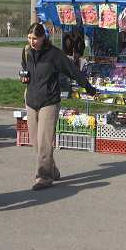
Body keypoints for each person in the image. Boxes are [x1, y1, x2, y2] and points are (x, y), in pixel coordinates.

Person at [20, 23, 98, 190]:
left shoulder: (54, 54)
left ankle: (44, 177)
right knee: (35, 141)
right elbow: (25, 69)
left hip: (49, 101)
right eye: (29, 38)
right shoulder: (26, 51)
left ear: (43, 38)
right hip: (31, 100)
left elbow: (73, 71)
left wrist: (88, 87)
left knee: (44, 141)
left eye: (35, 38)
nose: (32, 42)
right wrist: (24, 77)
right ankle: (52, 169)